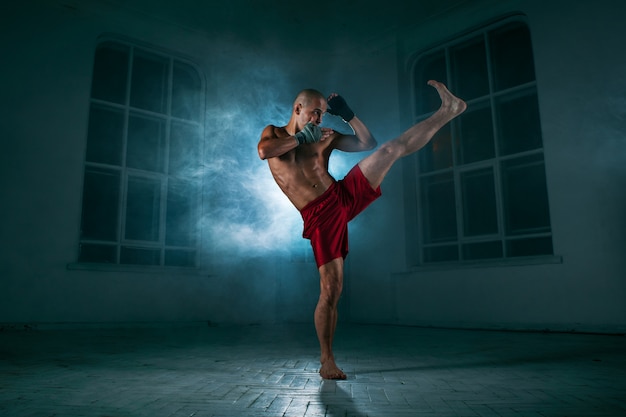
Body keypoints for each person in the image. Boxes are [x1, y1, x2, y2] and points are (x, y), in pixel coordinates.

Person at [258, 80, 466, 379]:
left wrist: (348, 115)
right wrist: (302, 138)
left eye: (323, 114)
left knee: (390, 149)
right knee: (331, 289)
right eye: (315, 113)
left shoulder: (324, 136)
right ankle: (326, 360)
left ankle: (449, 109)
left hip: (341, 195)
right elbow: (265, 151)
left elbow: (366, 143)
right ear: (297, 109)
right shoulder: (274, 133)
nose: (319, 119)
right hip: (319, 216)